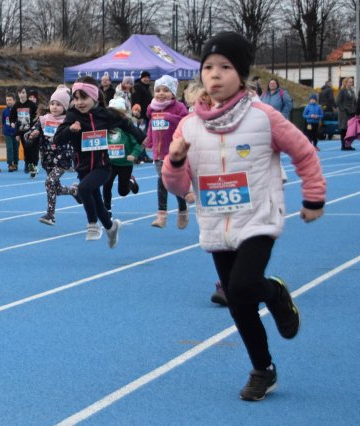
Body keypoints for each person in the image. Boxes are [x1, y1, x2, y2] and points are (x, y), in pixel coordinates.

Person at [162, 31, 326, 402]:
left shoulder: (264, 117)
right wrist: (173, 160)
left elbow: (304, 153)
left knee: (244, 286)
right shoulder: (188, 125)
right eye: (208, 67)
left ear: (242, 74)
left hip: (258, 217)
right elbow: (175, 185)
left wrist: (314, 196)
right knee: (238, 301)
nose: (215, 75)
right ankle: (262, 369)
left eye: (225, 67)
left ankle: (275, 293)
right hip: (216, 222)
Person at [55, 76, 146, 248]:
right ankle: (111, 228)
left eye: (84, 98)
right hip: (83, 167)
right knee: (97, 202)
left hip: (102, 166)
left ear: (94, 97)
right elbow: (58, 138)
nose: (80, 102)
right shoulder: (72, 116)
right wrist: (70, 130)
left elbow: (125, 123)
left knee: (83, 189)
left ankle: (92, 225)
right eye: (76, 98)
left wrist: (141, 137)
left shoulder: (105, 115)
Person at [144, 74, 190, 229]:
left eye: (165, 90)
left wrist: (171, 117)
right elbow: (152, 126)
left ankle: (182, 209)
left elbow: (186, 123)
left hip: (174, 151)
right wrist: (148, 140)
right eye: (158, 90)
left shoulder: (179, 107)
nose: (161, 93)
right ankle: (161, 215)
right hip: (158, 153)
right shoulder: (152, 108)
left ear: (173, 93)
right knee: (162, 180)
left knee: (173, 183)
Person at [28, 88, 77, 225]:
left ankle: (50, 215)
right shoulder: (44, 119)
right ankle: (74, 191)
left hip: (62, 158)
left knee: (50, 181)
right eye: (52, 103)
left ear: (65, 106)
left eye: (58, 104)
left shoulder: (69, 121)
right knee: (56, 188)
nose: (54, 107)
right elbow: (32, 130)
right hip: (47, 158)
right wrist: (33, 134)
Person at [102, 97, 142, 217]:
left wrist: (134, 154)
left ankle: (130, 180)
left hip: (125, 163)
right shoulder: (105, 127)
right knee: (106, 184)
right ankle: (107, 208)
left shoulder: (127, 127)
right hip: (110, 163)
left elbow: (137, 143)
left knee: (123, 192)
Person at [9, 87, 37, 174]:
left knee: (31, 147)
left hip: (30, 130)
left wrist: (35, 127)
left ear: (26, 94)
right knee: (25, 148)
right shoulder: (16, 106)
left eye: (24, 92)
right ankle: (27, 164)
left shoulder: (31, 105)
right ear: (18, 94)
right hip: (21, 131)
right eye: (20, 93)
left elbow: (37, 115)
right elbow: (12, 117)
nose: (22, 94)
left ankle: (32, 164)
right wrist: (12, 123)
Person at [337, 77, 357, 151]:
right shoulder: (342, 91)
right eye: (350, 82)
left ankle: (348, 144)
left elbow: (355, 102)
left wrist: (356, 110)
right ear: (345, 83)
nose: (351, 83)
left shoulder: (352, 91)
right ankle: (343, 145)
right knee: (344, 129)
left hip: (352, 112)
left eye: (352, 82)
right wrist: (343, 109)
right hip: (344, 114)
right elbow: (338, 102)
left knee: (350, 130)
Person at [2, 93, 18, 171]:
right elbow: (3, 121)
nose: (8, 102)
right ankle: (10, 164)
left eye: (10, 100)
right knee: (9, 148)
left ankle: (15, 163)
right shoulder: (5, 111)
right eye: (7, 100)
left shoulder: (18, 110)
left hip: (16, 133)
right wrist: (5, 128)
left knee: (16, 148)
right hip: (7, 132)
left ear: (14, 101)